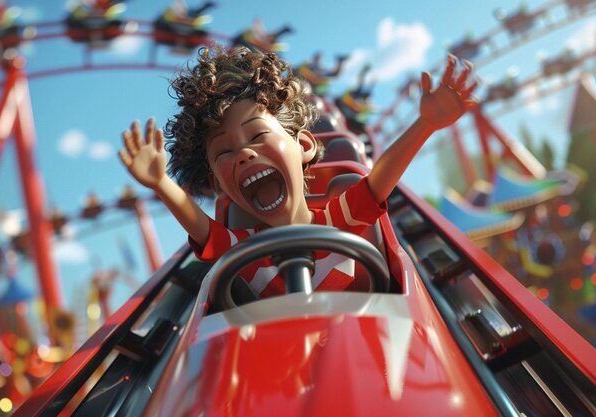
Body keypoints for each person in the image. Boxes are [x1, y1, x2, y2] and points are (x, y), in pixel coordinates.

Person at [118, 46, 477, 298]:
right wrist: (161, 182)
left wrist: (425, 124)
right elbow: (203, 230)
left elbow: (377, 183)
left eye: (258, 135)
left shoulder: (336, 218)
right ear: (218, 183)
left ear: (304, 146)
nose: (243, 153)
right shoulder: (241, 247)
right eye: (225, 151)